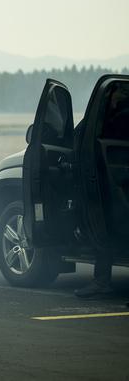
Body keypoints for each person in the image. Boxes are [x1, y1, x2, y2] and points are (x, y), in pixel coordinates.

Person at [74, 84, 129, 298]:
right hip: (113, 179)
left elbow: (81, 136)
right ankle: (101, 280)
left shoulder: (114, 118)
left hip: (108, 181)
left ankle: (101, 280)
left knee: (103, 225)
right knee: (105, 226)